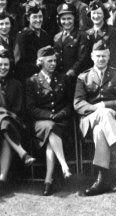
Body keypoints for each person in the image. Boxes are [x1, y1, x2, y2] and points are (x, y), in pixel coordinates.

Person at [74, 40, 116, 196]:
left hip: (114, 120)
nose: (101, 59)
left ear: (109, 57)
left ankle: (102, 179)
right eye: (98, 56)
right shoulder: (83, 77)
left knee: (100, 130)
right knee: (103, 114)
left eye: (104, 56)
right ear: (92, 56)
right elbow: (78, 103)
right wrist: (96, 108)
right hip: (90, 118)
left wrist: (104, 105)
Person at [0, 49, 36, 196]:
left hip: (12, 123)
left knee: (5, 126)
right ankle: (22, 153)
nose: (3, 68)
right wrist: (1, 112)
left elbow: (18, 109)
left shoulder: (16, 84)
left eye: (6, 65)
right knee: (3, 121)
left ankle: (2, 180)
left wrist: (6, 114)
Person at [25, 46, 74, 195]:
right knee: (50, 128)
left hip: (61, 122)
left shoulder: (63, 78)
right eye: (49, 61)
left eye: (54, 60)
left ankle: (48, 180)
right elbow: (30, 108)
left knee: (51, 136)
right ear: (41, 62)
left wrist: (62, 113)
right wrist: (49, 116)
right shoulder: (31, 81)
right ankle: (64, 165)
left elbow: (69, 103)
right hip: (41, 123)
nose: (53, 63)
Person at [15, 5, 53, 81]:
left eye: (40, 17)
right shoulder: (22, 36)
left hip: (45, 76)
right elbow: (18, 63)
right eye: (35, 17)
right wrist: (37, 65)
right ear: (28, 18)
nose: (38, 20)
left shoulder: (44, 34)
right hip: (29, 78)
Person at [81, 0, 116, 70]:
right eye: (93, 13)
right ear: (90, 15)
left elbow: (115, 56)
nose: (96, 16)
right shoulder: (86, 33)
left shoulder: (112, 31)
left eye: (99, 13)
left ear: (104, 15)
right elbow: (85, 58)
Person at [54, 3, 85, 79]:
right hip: (60, 77)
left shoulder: (82, 35)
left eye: (69, 18)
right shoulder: (57, 37)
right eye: (63, 19)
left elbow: (82, 58)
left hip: (76, 77)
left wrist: (72, 71)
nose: (66, 22)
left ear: (74, 19)